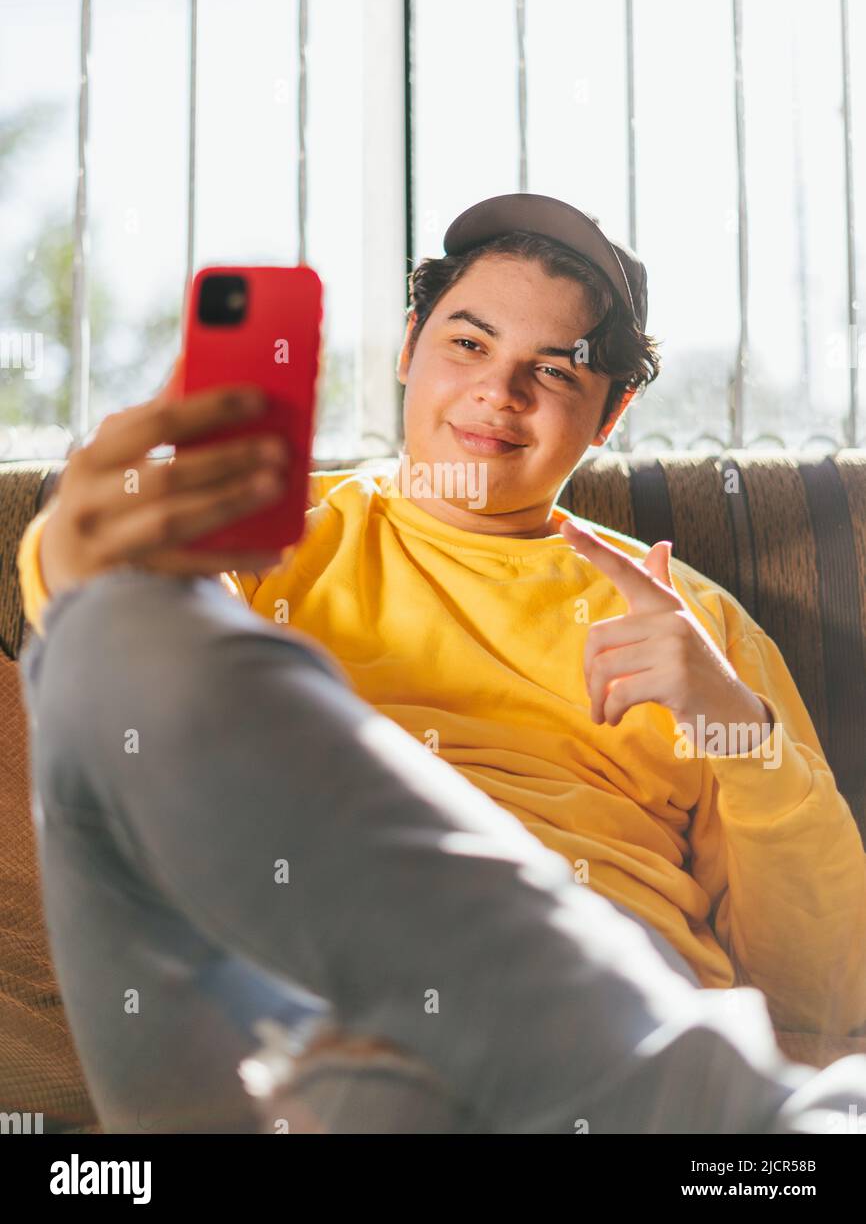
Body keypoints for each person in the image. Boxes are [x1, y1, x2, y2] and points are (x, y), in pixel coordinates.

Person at [16, 194, 866, 1133]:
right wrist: (79, 559)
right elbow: (112, 713)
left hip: (582, 992)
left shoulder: (694, 624)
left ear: (612, 415)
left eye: (553, 371)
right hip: (306, 949)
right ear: (409, 346)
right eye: (469, 344)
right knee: (104, 628)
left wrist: (735, 728)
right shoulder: (268, 541)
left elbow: (830, 983)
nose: (499, 394)